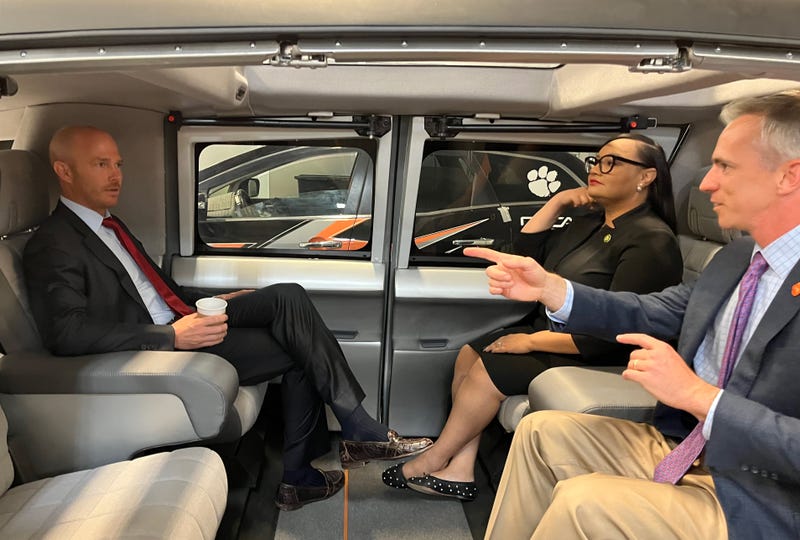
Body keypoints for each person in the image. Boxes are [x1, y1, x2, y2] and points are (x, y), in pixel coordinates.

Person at [23, 125, 432, 512]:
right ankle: (321, 459)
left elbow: (162, 291)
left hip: (182, 317)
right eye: (101, 164)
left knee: (288, 296)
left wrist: (216, 298)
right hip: (158, 342)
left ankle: (349, 436)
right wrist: (171, 337)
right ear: (64, 171)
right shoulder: (53, 243)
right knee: (298, 349)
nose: (116, 175)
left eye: (119, 164)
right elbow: (66, 333)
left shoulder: (110, 225)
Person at [466, 90, 800, 539]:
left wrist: (697, 396)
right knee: (541, 431)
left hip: (763, 493)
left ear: (788, 177)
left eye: (725, 166)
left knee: (584, 503)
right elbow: (653, 308)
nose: (705, 184)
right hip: (692, 447)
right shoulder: (739, 258)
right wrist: (550, 289)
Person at [383, 134, 683, 500]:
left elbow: (619, 331)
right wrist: (557, 201)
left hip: (598, 350)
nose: (597, 170)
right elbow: (527, 256)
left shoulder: (652, 240)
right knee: (469, 354)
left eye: (611, 162)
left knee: (486, 372)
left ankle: (437, 457)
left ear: (646, 177)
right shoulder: (592, 223)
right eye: (596, 161)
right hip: (556, 332)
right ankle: (460, 471)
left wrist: (530, 341)